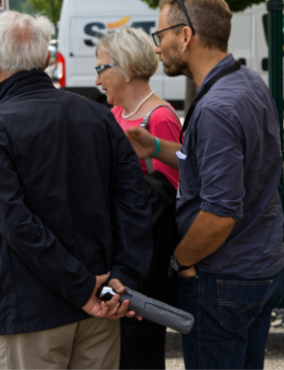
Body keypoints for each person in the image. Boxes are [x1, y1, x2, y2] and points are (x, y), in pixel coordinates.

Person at [0, 11, 153, 369]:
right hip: (102, 297)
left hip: (35, 306)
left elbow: (16, 222)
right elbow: (134, 199)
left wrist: (83, 287)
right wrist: (121, 279)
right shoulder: (97, 115)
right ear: (47, 60)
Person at [127, 0, 284, 369]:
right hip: (262, 267)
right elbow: (217, 170)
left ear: (185, 36)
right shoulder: (247, 82)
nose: (156, 47)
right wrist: (154, 147)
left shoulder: (216, 106)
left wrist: (179, 262)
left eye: (161, 35)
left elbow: (219, 214)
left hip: (223, 279)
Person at [94, 27, 181, 370]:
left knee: (141, 353)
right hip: (120, 256)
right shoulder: (113, 114)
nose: (97, 78)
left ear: (125, 68)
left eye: (102, 68)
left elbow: (171, 194)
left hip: (146, 263)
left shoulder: (159, 118)